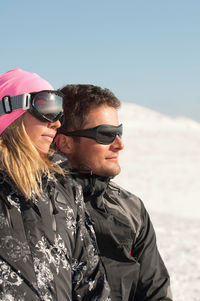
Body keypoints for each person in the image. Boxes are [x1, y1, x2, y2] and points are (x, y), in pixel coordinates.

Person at [55, 84, 173, 301]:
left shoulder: (130, 208)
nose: (119, 144)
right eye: (106, 135)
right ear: (65, 142)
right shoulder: (36, 208)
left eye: (119, 132)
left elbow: (156, 292)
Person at [0, 70, 111, 301]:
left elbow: (89, 280)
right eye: (47, 107)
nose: (57, 122)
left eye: (59, 110)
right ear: (10, 110)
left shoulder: (63, 190)